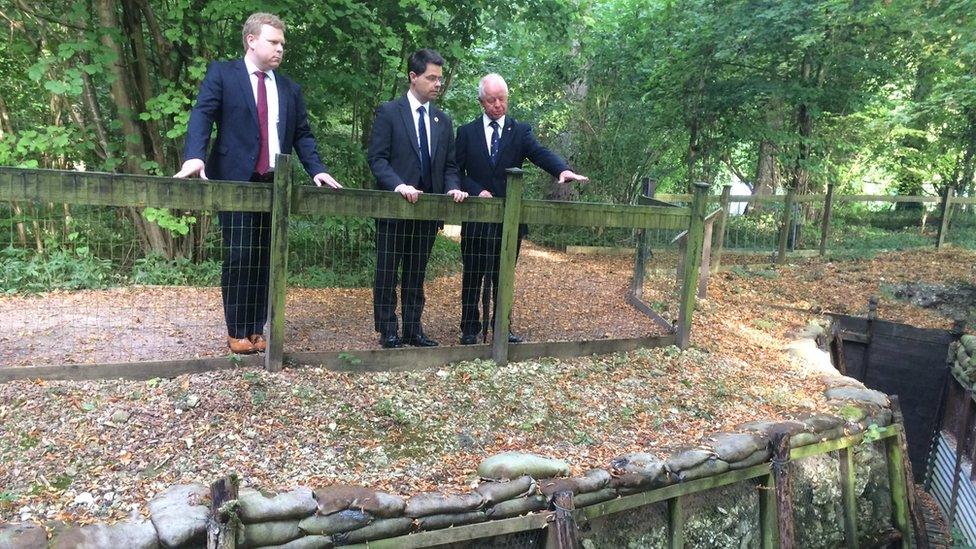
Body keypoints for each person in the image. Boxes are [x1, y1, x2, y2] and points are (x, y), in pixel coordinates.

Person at [175, 12, 342, 355]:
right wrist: (195, 155)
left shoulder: (289, 88)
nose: (280, 49)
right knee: (240, 255)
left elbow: (302, 135)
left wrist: (317, 169)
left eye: (282, 43)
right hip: (235, 183)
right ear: (251, 40)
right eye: (274, 42)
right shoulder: (223, 74)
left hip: (275, 186)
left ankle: (256, 328)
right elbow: (202, 114)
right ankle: (237, 330)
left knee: (268, 258)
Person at [455, 73, 588, 344]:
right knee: (473, 273)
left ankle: (502, 325)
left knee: (502, 274)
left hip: (510, 220)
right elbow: (456, 170)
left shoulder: (520, 131)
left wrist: (562, 169)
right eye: (491, 100)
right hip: (476, 217)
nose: (497, 105)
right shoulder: (466, 132)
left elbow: (540, 153)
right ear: (481, 101)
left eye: (502, 99)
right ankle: (469, 328)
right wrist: (475, 189)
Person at [367, 49, 468, 348]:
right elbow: (377, 160)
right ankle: (388, 330)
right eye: (431, 78)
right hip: (393, 207)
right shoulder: (389, 112)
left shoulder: (442, 121)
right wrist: (398, 186)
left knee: (416, 272)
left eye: (439, 78)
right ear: (413, 77)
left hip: (427, 212)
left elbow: (449, 165)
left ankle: (413, 329)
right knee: (387, 270)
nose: (438, 84)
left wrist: (452, 187)